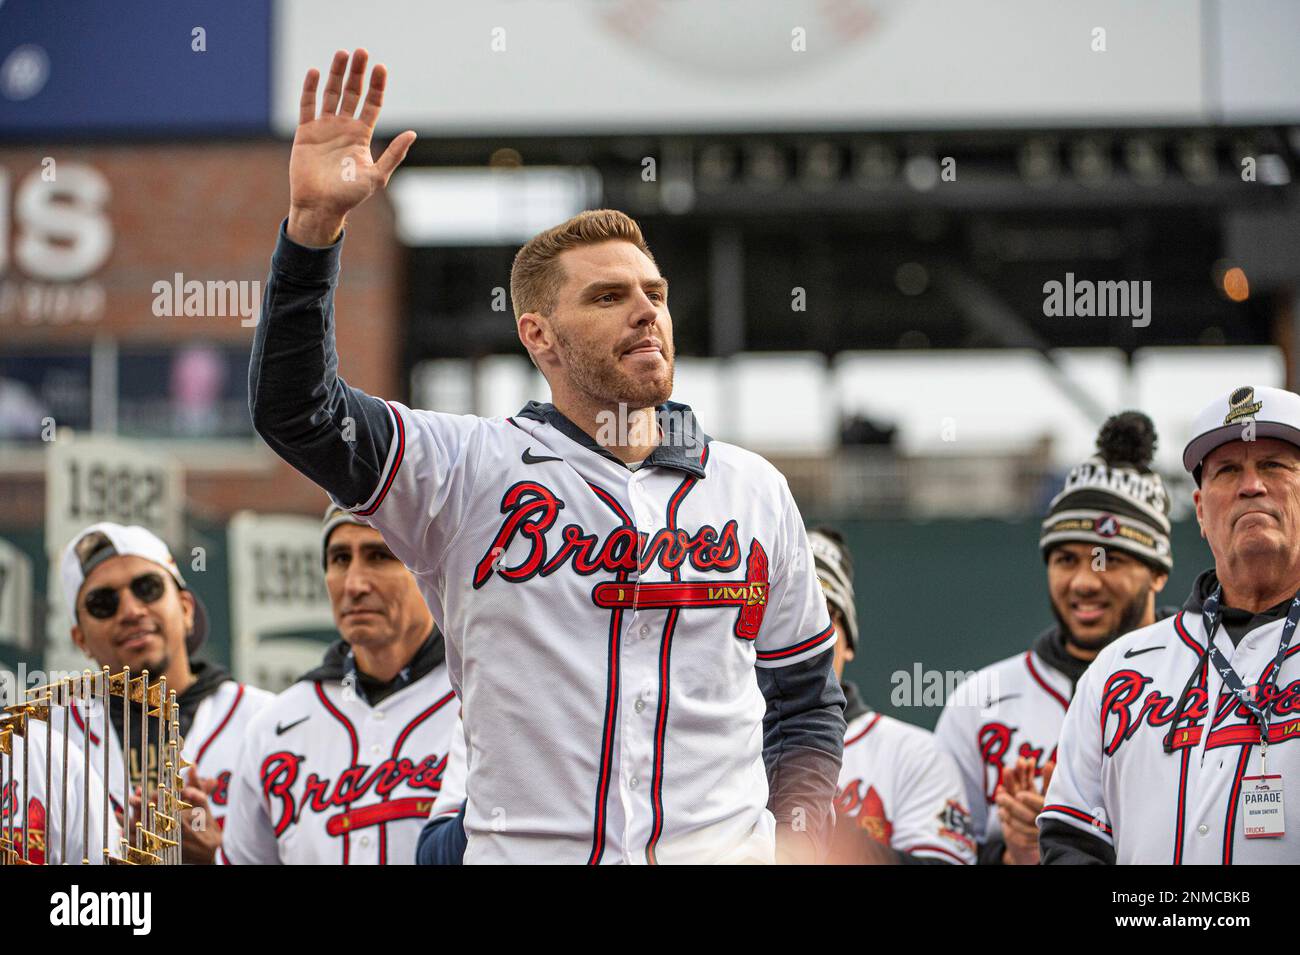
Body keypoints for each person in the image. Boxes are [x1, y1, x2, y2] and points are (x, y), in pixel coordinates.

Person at [249, 48, 845, 864]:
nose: (645, 312)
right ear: (538, 334)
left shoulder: (753, 488)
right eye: (608, 297)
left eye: (655, 294)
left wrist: (800, 834)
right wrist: (312, 235)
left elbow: (806, 701)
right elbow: (297, 412)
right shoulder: (465, 468)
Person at [1042, 385, 1300, 864]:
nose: (1251, 486)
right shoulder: (1120, 666)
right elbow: (1073, 838)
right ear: (1201, 511)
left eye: (1273, 465)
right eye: (1228, 470)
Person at [935, 412, 1173, 864]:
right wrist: (1016, 852)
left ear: (1157, 572)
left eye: (1108, 560)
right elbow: (940, 854)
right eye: (1066, 559)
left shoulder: (1207, 690)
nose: (1084, 581)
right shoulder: (980, 701)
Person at [221, 505, 458, 864]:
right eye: (340, 559)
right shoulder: (277, 726)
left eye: (380, 556)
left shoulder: (478, 702)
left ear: (427, 570)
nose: (355, 584)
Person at [60, 522, 272, 864]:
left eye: (147, 588)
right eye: (103, 602)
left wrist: (218, 858)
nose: (131, 611)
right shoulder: (44, 740)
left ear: (186, 609)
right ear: (80, 639)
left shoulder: (268, 721)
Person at [812, 528, 976, 865]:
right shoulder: (717, 747)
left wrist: (825, 830)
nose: (804, 636)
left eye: (822, 615)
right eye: (783, 615)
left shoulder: (914, 755)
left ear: (849, 642)